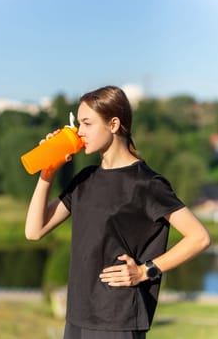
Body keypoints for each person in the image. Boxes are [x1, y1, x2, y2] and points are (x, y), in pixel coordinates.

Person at [25, 85, 211, 339]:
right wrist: (48, 171)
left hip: (118, 321)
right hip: (78, 317)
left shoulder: (147, 183)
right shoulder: (85, 180)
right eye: (78, 123)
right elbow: (34, 231)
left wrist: (146, 271)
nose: (79, 132)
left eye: (87, 123)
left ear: (113, 124)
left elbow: (199, 237)